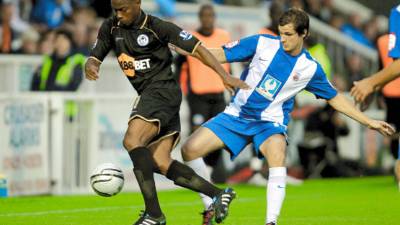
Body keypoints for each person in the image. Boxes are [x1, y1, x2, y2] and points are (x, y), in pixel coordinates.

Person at [175, 8, 395, 225]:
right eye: (281, 33)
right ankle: (212, 201)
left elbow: (336, 99)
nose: (283, 39)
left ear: (303, 34)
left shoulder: (310, 68)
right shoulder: (262, 42)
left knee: (277, 153)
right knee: (189, 149)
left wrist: (369, 122)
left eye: (289, 34)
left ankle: (271, 221)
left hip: (269, 123)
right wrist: (191, 49)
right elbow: (221, 54)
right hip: (236, 115)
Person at [84, 1, 249, 225]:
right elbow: (97, 53)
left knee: (132, 140)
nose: (119, 14)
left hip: (162, 91)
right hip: (154, 96)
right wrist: (92, 64)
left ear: (137, 3)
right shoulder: (110, 27)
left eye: (123, 9)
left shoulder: (159, 27)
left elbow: (198, 48)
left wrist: (224, 76)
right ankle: (218, 194)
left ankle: (153, 214)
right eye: (115, 9)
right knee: (159, 161)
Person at [175, 4, 231, 225]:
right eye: (204, 15)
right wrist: (181, 92)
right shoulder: (191, 38)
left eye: (211, 15)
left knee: (218, 139)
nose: (208, 19)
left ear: (214, 17)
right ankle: (205, 183)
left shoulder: (224, 35)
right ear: (200, 18)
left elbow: (229, 63)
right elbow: (180, 67)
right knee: (197, 138)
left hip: (218, 94)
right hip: (197, 96)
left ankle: (206, 177)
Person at [351, 4, 400, 189]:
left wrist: (370, 84)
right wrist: (375, 86)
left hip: (392, 93)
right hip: (391, 94)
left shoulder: (398, 13)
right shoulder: (382, 41)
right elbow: (385, 68)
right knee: (394, 131)